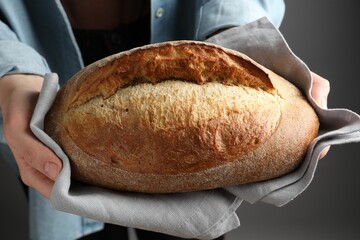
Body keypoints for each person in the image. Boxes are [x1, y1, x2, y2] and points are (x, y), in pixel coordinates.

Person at [0, 0, 330, 239]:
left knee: (186, 223)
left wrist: (236, 27)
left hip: (188, 26)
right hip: (37, 66)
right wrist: (11, 71)